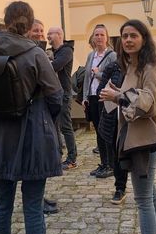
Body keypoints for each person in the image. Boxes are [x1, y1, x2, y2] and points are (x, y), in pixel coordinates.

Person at [0, 1, 66, 234]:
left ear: (4, 21)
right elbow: (56, 95)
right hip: (31, 134)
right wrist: (47, 120)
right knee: (32, 205)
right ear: (29, 24)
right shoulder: (34, 53)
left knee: (1, 203)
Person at [100, 19, 156, 234]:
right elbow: (135, 95)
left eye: (133, 35)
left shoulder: (150, 67)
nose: (128, 40)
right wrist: (120, 91)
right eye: (124, 36)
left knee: (142, 199)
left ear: (144, 38)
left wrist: (118, 97)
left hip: (144, 142)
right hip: (137, 138)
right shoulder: (133, 65)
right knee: (151, 193)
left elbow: (148, 103)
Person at [28, 20, 59, 215]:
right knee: (35, 159)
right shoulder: (33, 53)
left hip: (42, 112)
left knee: (38, 160)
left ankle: (39, 198)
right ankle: (36, 201)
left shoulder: (43, 52)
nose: (39, 33)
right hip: (37, 112)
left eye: (41, 30)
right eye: (35, 30)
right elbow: (53, 91)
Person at [83, 24, 117, 178]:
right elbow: (86, 78)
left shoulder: (112, 55)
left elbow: (112, 76)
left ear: (107, 37)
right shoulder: (91, 55)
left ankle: (110, 165)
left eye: (102, 35)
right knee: (98, 130)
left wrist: (98, 73)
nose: (98, 38)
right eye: (96, 35)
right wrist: (84, 97)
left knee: (106, 131)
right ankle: (103, 163)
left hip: (105, 96)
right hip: (92, 96)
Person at [96, 59, 128, 203]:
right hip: (112, 117)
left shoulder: (144, 66)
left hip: (134, 119)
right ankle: (120, 188)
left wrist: (119, 95)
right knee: (116, 156)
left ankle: (145, 191)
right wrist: (108, 93)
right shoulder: (113, 66)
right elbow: (99, 90)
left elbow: (142, 97)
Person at [47, 26, 78, 170]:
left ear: (59, 35)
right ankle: (57, 155)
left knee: (66, 126)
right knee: (55, 126)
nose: (47, 36)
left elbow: (55, 66)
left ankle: (72, 159)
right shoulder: (52, 52)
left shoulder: (66, 51)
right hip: (53, 94)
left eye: (50, 34)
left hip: (64, 94)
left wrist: (45, 61)